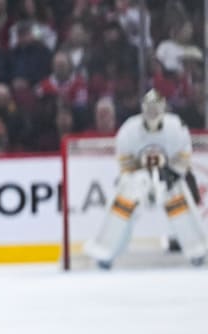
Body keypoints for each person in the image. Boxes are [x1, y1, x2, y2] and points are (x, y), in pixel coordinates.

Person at [85, 89, 206, 269]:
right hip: (138, 178)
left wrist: (172, 173)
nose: (152, 112)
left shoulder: (175, 127)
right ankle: (105, 250)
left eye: (156, 108)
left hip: (169, 177)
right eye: (149, 108)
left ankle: (197, 249)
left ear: (163, 108)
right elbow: (125, 162)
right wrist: (137, 173)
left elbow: (184, 156)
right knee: (125, 195)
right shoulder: (129, 129)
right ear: (142, 108)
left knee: (178, 195)